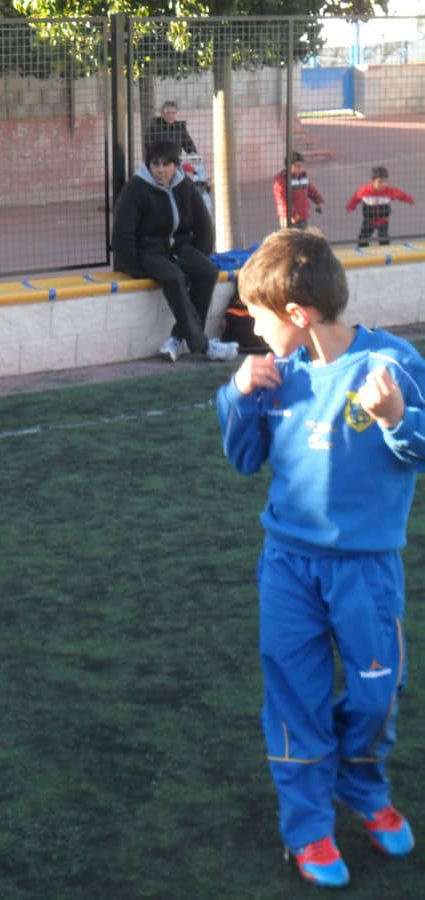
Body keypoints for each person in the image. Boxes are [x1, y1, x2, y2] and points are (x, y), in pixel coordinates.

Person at [216, 229, 421, 889]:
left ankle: (361, 785)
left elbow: (417, 447)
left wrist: (393, 418)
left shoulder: (391, 363)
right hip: (288, 569)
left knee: (376, 692)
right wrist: (238, 396)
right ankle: (307, 827)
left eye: (259, 316)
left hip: (365, 571)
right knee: (295, 697)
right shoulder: (278, 374)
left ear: (298, 313)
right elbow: (245, 459)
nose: (250, 327)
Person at [111, 139, 236, 363]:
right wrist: (136, 268)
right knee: (174, 277)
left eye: (165, 164)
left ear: (175, 165)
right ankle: (204, 346)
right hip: (148, 253)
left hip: (179, 248)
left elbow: (203, 224)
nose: (160, 170)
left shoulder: (184, 185)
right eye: (155, 164)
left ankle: (177, 338)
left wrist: (199, 254)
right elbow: (122, 234)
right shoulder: (135, 189)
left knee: (207, 272)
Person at [346, 165, 415, 248]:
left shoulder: (389, 191)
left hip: (383, 220)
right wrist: (350, 207)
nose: (383, 184)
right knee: (362, 239)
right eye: (380, 182)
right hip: (368, 221)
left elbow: (401, 195)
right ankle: (364, 254)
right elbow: (355, 198)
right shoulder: (364, 191)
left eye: (385, 181)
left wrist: (410, 200)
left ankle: (385, 254)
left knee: (383, 238)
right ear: (372, 181)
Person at [273, 152, 324, 230]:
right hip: (289, 217)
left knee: (302, 238)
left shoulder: (302, 177)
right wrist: (291, 214)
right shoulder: (281, 181)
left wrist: (318, 200)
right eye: (297, 166)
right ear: (289, 166)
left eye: (302, 166)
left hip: (302, 215)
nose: (300, 168)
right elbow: (282, 201)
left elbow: (311, 190)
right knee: (291, 239)